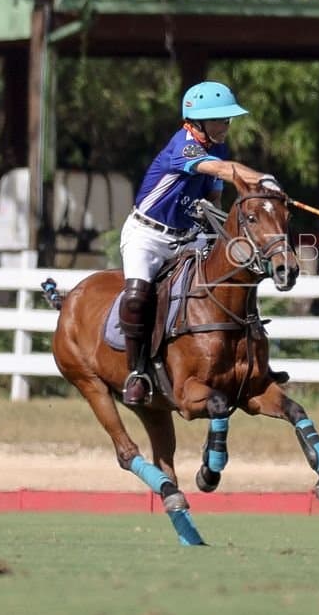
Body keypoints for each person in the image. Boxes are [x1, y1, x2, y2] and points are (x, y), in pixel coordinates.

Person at [118, 80, 278, 406]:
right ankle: (137, 373)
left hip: (187, 236)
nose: (227, 125)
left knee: (227, 278)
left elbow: (214, 195)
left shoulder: (217, 146)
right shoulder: (184, 146)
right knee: (137, 297)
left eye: (228, 119)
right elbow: (220, 170)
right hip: (147, 236)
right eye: (221, 119)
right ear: (198, 122)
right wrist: (260, 180)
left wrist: (216, 224)